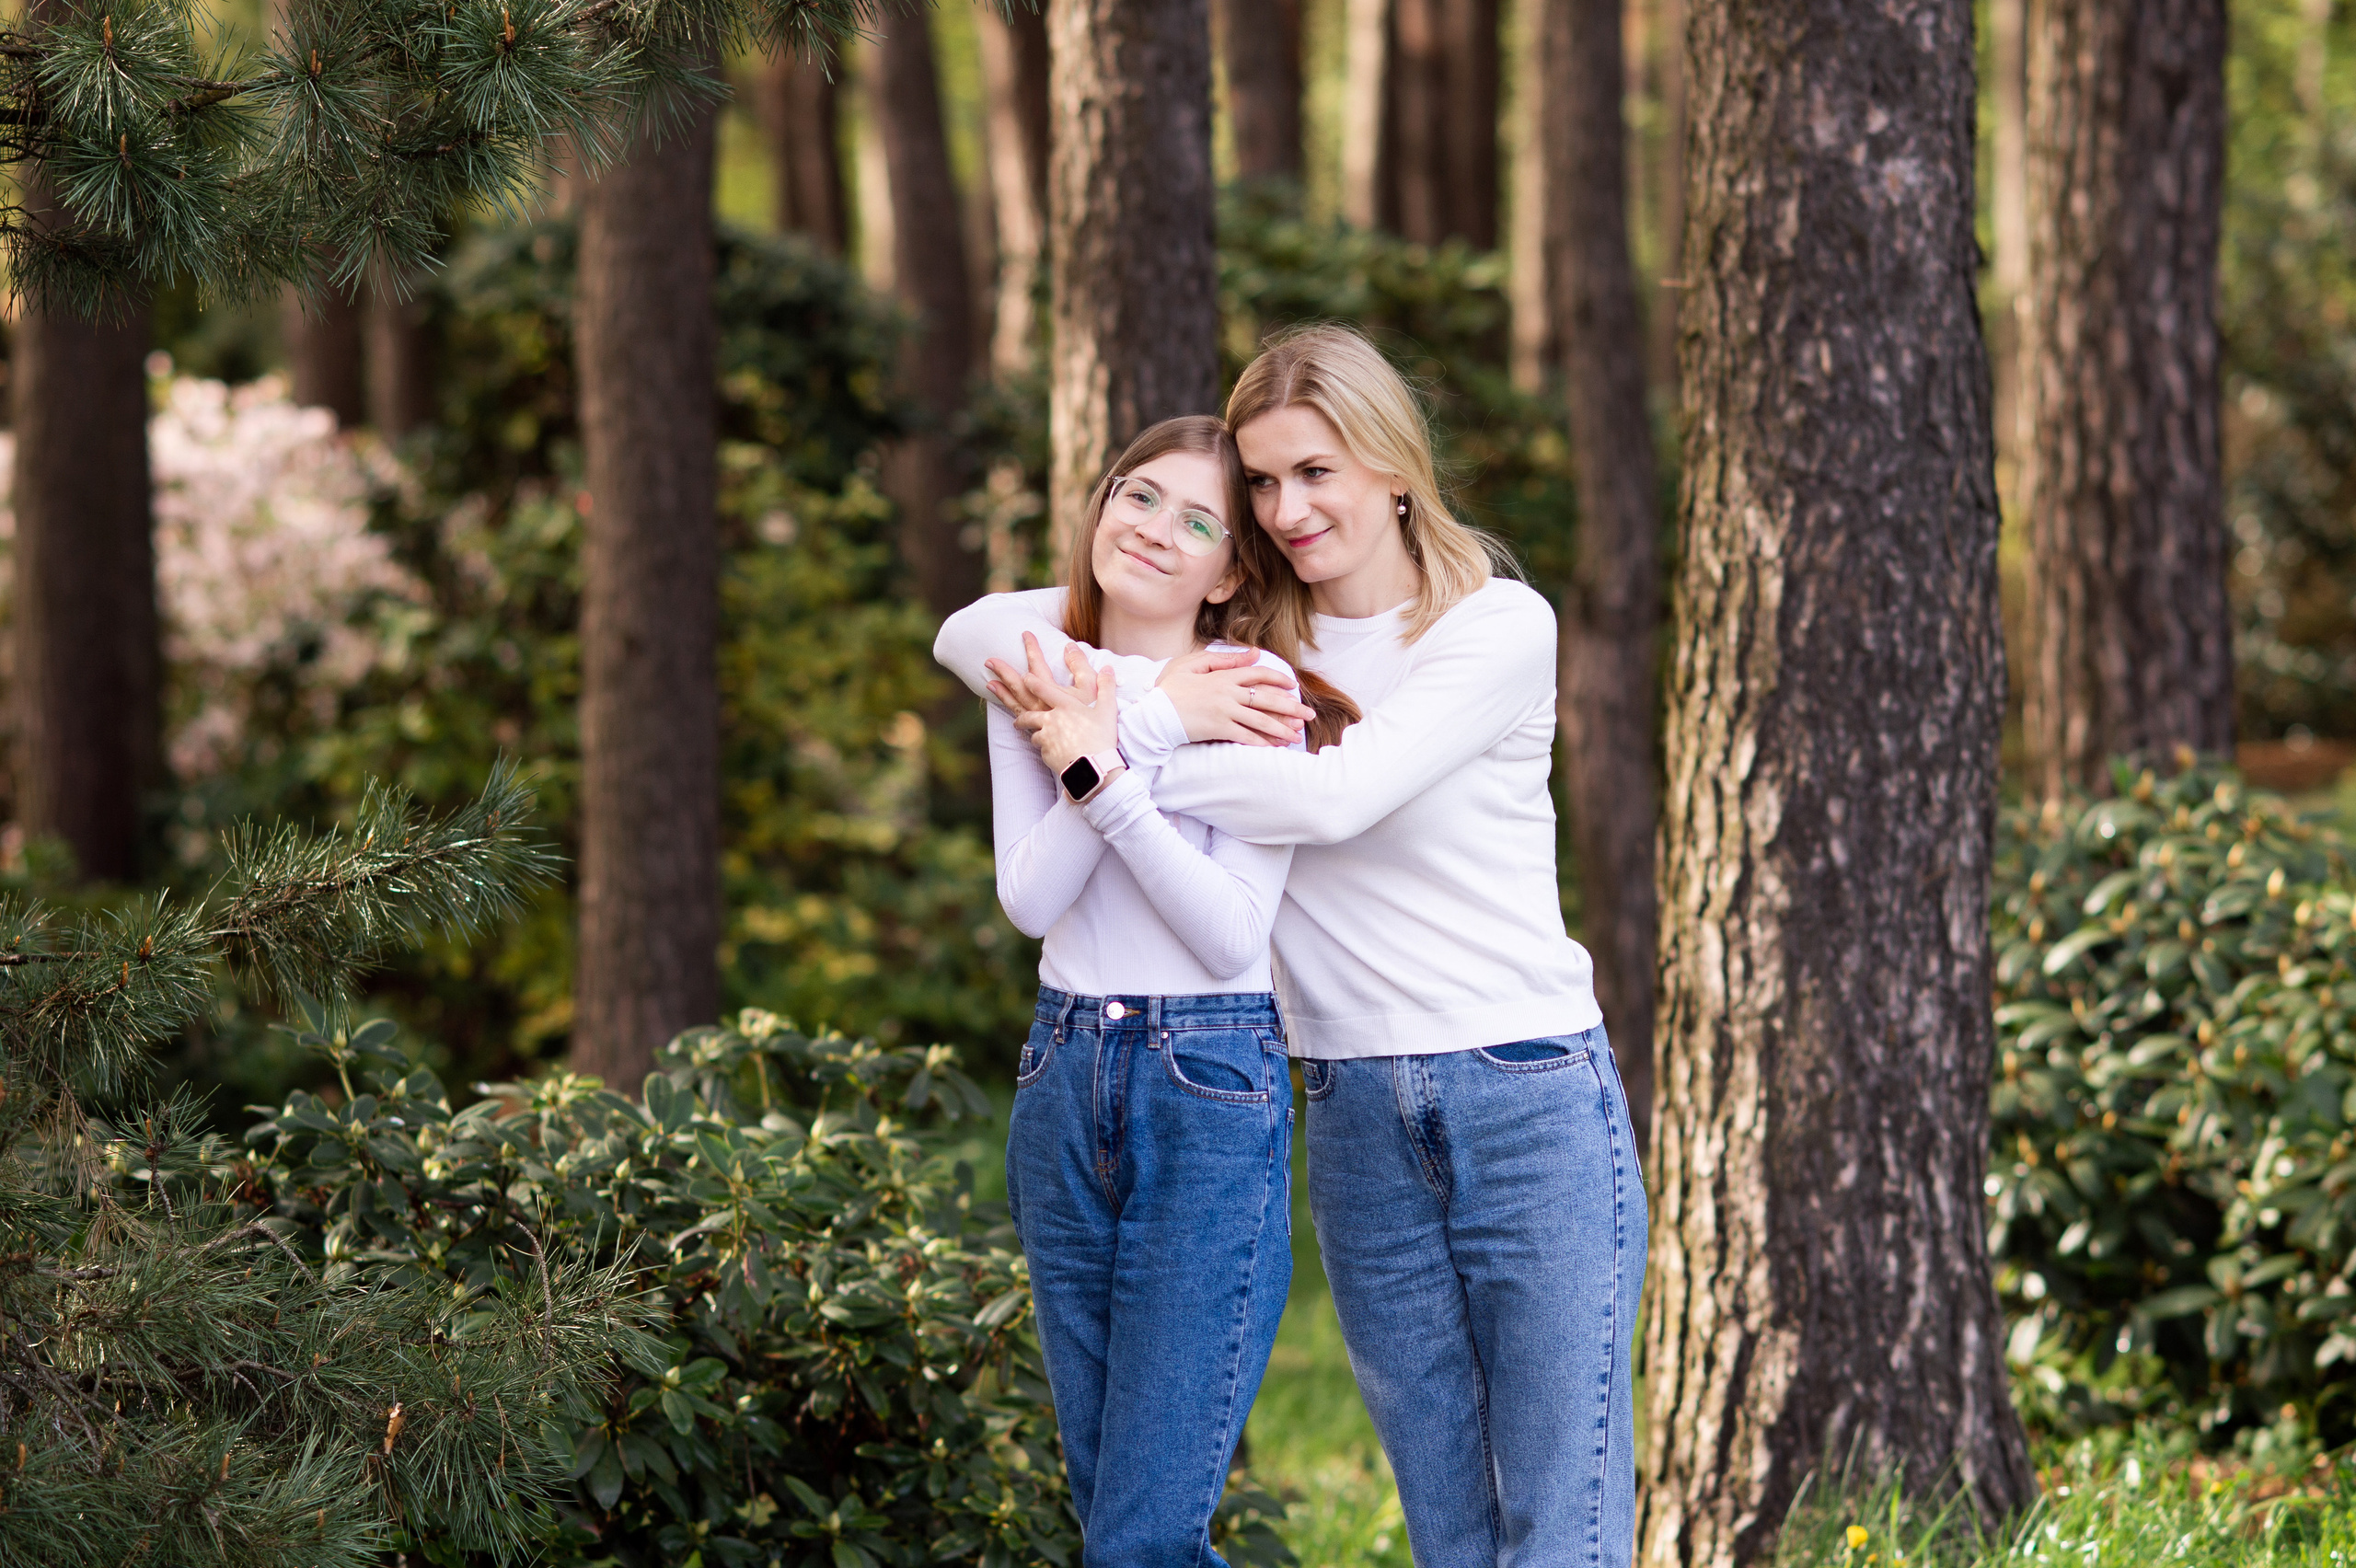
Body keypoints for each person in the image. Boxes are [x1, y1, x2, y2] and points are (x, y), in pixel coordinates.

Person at [936, 324, 1646, 1568]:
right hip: (1355, 1105)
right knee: (1449, 1526)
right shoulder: (1262, 649)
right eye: (1262, 482)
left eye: (1316, 470)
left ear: (1391, 466)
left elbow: (1332, 799)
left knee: (1560, 1523)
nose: (1288, 506)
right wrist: (1167, 711)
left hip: (1524, 1092)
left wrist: (1115, 749)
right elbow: (970, 634)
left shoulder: (1493, 626)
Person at [981, 413, 1357, 1568]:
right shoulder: (1043, 670)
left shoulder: (1260, 696)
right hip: (1061, 1074)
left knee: (1140, 1537)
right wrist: (1141, 725)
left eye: (1197, 521)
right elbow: (1033, 900)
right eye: (1137, 496)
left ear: (1232, 568)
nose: (1152, 530)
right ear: (1099, 504)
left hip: (1208, 1082)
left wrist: (1101, 769)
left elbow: (1228, 928)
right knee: (1124, 1523)